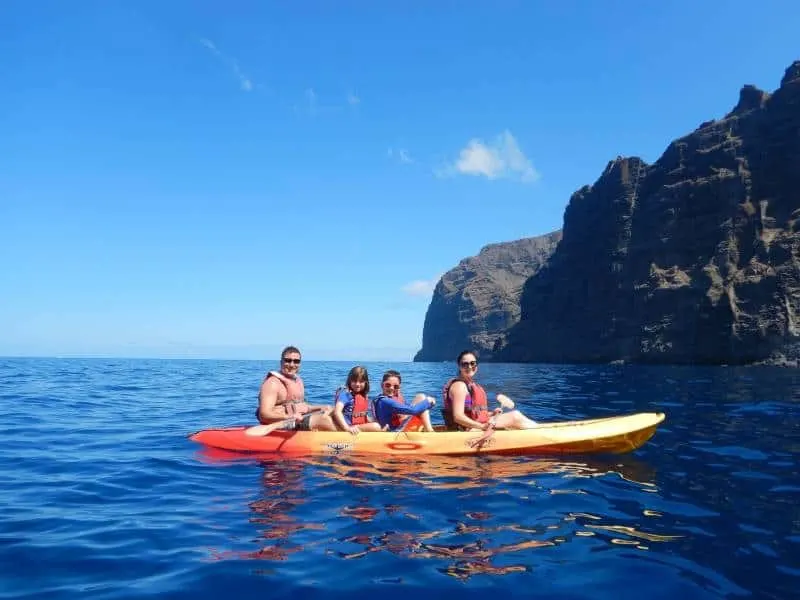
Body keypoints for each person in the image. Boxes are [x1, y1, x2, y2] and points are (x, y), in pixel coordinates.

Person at [442, 350, 538, 431]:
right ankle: (541, 433)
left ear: (477, 365)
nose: (469, 367)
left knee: (515, 421)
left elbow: (473, 413)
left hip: (474, 426)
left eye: (472, 363)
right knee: (515, 416)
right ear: (459, 366)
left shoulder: (470, 385)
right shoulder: (459, 386)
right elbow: (458, 417)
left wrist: (492, 413)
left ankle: (537, 429)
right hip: (468, 429)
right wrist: (482, 426)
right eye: (465, 364)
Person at [255, 346, 337, 431]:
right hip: (281, 424)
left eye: (296, 361)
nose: (292, 364)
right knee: (325, 421)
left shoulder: (297, 380)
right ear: (281, 362)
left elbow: (301, 407)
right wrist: (289, 417)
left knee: (334, 413)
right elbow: (264, 415)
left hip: (298, 420)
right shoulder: (272, 383)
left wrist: (322, 407)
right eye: (288, 360)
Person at [332, 365, 384, 435]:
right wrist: (347, 428)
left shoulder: (363, 396)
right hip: (347, 427)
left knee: (378, 423)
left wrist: (373, 421)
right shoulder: (345, 394)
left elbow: (362, 415)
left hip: (357, 425)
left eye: (361, 381)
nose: (357, 384)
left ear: (366, 382)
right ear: (349, 381)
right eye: (354, 381)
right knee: (376, 426)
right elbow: (337, 411)